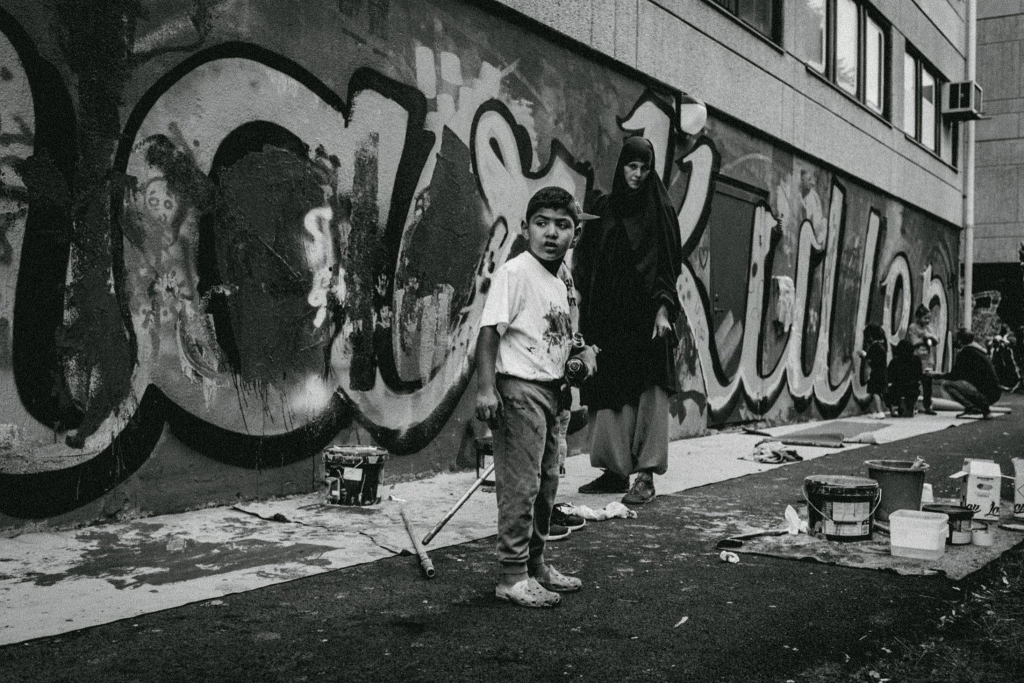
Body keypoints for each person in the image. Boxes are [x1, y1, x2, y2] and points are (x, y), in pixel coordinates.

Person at [475, 186, 598, 608]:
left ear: (575, 234)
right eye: (541, 223)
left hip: (551, 393)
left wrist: (581, 351)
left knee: (546, 485)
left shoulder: (562, 278)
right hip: (518, 390)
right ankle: (511, 576)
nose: (551, 233)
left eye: (562, 225)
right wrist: (486, 389)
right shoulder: (515, 272)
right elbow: (489, 331)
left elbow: (559, 331)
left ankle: (536, 564)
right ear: (526, 228)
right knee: (520, 487)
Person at [574, 135, 683, 505]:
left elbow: (670, 265)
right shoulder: (605, 208)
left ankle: (646, 475)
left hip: (650, 317)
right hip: (610, 317)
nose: (637, 175)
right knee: (611, 393)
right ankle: (614, 471)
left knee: (649, 392)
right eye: (631, 166)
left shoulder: (659, 207)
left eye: (644, 168)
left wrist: (665, 309)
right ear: (621, 166)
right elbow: (588, 260)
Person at [932, 328, 1001, 418]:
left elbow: (954, 376)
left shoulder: (965, 353)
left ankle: (974, 407)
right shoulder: (978, 350)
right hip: (995, 391)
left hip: (986, 393)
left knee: (947, 385)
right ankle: (982, 408)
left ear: (960, 341)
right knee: (963, 383)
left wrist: (936, 375)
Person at [905, 304, 939, 415]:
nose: (927, 320)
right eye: (925, 318)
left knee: (927, 384)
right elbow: (914, 342)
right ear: (918, 317)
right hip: (917, 358)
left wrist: (927, 337)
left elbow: (935, 339)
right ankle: (912, 405)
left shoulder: (929, 328)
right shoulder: (913, 327)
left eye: (929, 318)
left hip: (928, 359)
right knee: (914, 382)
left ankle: (928, 406)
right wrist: (925, 339)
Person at [886, 339, 922, 417]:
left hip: (897, 389)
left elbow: (889, 377)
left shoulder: (895, 361)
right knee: (913, 391)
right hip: (912, 389)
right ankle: (910, 407)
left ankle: (894, 407)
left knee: (885, 390)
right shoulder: (916, 360)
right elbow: (919, 375)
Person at [857, 322, 887, 415]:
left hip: (876, 373)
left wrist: (863, 354)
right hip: (883, 372)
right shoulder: (883, 346)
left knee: (875, 392)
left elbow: (870, 359)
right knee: (880, 392)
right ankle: (881, 410)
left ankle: (879, 411)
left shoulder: (874, 347)